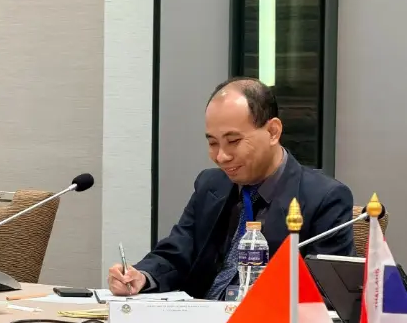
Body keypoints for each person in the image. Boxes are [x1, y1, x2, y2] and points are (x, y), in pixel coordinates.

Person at [108, 77, 355, 299]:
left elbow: (325, 294)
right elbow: (177, 252)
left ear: (273, 131)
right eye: (213, 143)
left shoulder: (323, 198)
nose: (221, 156)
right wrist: (141, 276)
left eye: (233, 141)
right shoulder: (211, 185)